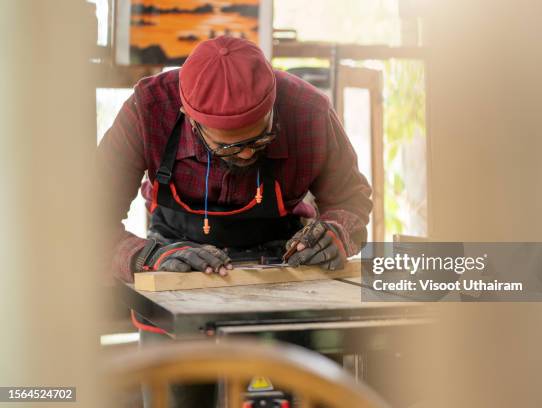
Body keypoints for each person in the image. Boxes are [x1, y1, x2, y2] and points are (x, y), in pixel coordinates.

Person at [97, 35, 372, 407]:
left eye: (260, 141)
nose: (245, 153)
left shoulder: (308, 110)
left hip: (286, 269)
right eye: (227, 147)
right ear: (189, 119)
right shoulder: (149, 109)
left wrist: (338, 233)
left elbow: (351, 199)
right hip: (176, 264)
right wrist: (145, 258)